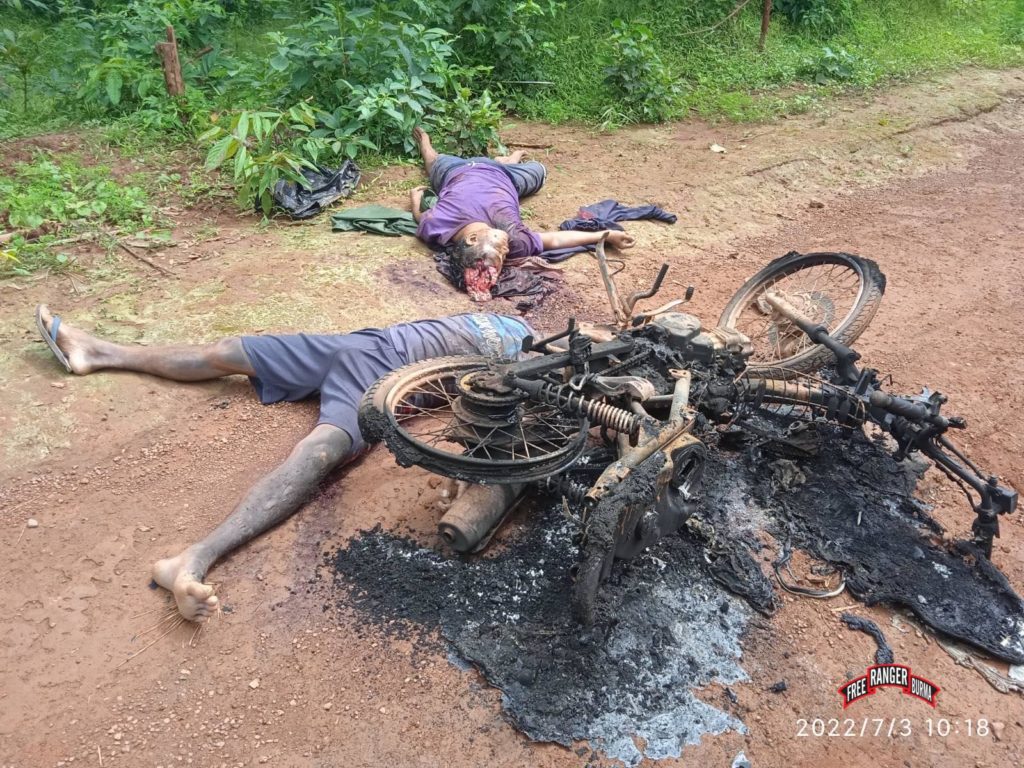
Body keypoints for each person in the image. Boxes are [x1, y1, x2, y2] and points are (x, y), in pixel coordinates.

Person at [34, 305, 535, 622]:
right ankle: (100, 352)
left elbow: (498, 420)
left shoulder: (539, 370)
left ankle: (193, 559)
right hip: (357, 345)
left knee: (320, 453)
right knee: (224, 352)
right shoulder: (507, 320)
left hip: (382, 389)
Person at [408, 127, 636, 298]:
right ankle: (508, 161)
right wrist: (606, 235)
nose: (506, 249)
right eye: (504, 255)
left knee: (433, 160)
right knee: (539, 170)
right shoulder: (515, 239)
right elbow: (555, 239)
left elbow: (421, 217)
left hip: (455, 170)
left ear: (472, 238)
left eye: (498, 248)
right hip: (507, 178)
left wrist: (415, 199)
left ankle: (426, 141)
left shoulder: (438, 223)